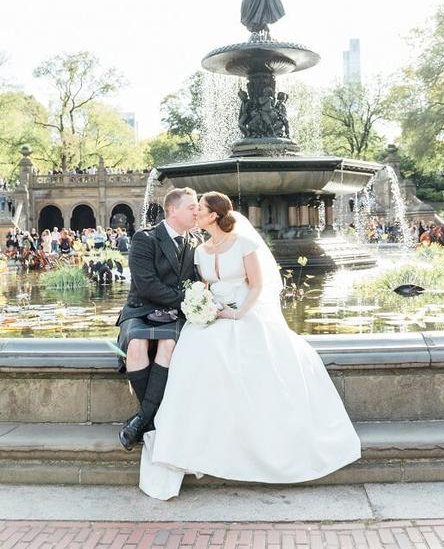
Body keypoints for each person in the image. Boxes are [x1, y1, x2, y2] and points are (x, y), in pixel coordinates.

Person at [139, 191, 361, 500]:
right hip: (212, 315)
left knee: (247, 356)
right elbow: (200, 286)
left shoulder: (245, 243)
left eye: (199, 209)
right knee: (193, 353)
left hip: (246, 311)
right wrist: (202, 306)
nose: (195, 214)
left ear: (213, 215)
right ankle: (190, 441)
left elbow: (257, 285)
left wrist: (239, 312)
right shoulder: (200, 250)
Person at [116, 187, 202, 451]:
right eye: (192, 207)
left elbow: (199, 281)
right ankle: (152, 418)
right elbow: (147, 285)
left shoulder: (196, 241)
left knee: (169, 344)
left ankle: (142, 420)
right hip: (141, 309)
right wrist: (186, 299)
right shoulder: (145, 238)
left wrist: (194, 302)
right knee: (136, 344)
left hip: (174, 313)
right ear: (173, 210)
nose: (197, 211)